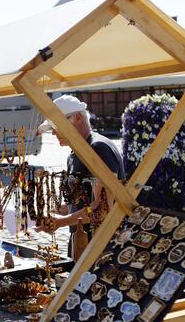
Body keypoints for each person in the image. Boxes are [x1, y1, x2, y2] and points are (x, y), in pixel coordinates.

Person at [34, 95, 125, 256]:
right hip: (80, 239)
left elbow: (102, 208)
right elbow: (83, 200)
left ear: (78, 118)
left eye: (57, 125)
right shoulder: (74, 154)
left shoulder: (98, 148)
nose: (54, 132)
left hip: (102, 244)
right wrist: (61, 211)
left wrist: (61, 222)